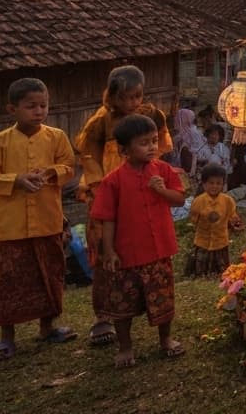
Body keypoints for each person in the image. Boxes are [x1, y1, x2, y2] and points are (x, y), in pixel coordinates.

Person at [0, 77, 78, 361]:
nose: (39, 111)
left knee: (49, 275)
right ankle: (6, 337)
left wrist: (49, 173)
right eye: (31, 106)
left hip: (48, 221)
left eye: (43, 105)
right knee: (10, 282)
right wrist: (17, 180)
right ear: (12, 109)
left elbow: (69, 167)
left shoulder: (56, 137)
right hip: (12, 227)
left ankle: (48, 327)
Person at [74, 65, 173, 347]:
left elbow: (161, 147)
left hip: (142, 193)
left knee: (148, 251)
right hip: (107, 192)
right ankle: (103, 316)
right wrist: (98, 187)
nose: (132, 104)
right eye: (125, 98)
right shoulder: (100, 122)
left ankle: (155, 309)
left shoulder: (152, 115)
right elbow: (88, 156)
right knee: (106, 252)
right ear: (112, 95)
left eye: (137, 96)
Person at [91, 114, 187, 367]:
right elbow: (107, 218)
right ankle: (125, 347)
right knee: (124, 305)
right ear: (124, 150)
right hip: (127, 254)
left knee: (163, 298)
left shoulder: (164, 170)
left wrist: (160, 190)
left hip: (158, 251)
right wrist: (109, 250)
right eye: (144, 143)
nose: (152, 147)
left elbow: (178, 199)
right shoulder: (113, 181)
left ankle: (165, 340)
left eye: (154, 140)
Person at [186, 163, 243, 277]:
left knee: (222, 270)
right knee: (201, 269)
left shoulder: (228, 201)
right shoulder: (198, 202)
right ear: (204, 184)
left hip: (221, 240)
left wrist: (235, 223)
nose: (215, 186)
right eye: (211, 183)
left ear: (223, 184)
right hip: (202, 241)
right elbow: (194, 220)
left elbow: (233, 216)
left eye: (218, 183)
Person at [170, 108, 201, 174]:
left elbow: (196, 153)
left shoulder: (193, 132)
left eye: (179, 118)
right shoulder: (181, 134)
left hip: (190, 169)